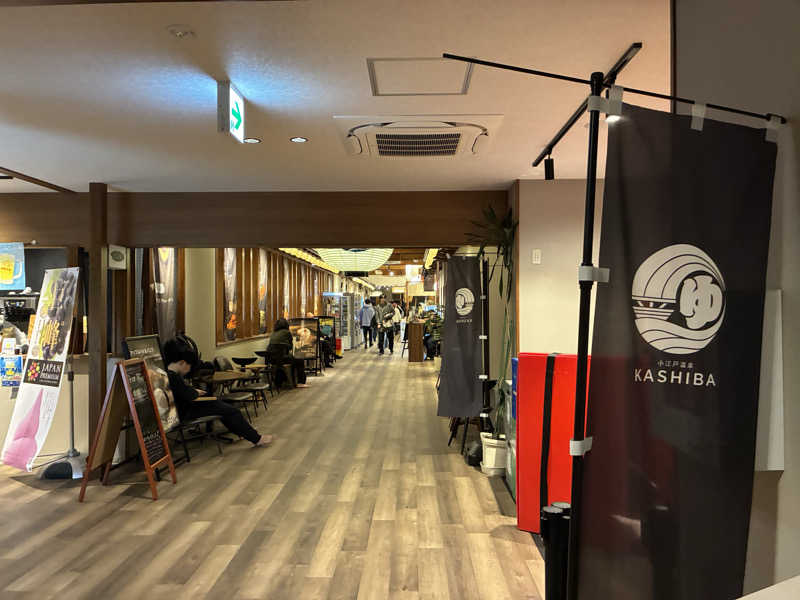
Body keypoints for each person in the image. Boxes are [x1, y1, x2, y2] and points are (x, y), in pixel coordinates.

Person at [163, 339, 272, 447]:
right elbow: (189, 395)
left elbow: (182, 391)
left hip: (179, 410)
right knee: (231, 411)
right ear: (182, 363)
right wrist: (195, 392)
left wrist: (193, 391)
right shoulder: (173, 377)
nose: (190, 369)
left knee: (224, 408)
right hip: (185, 412)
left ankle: (244, 432)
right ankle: (256, 438)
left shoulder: (165, 373)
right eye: (189, 365)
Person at [267, 318, 309, 388]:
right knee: (300, 360)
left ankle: (284, 381)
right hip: (282, 358)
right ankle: (300, 382)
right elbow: (290, 347)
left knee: (292, 360)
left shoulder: (273, 333)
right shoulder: (287, 332)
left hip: (272, 359)